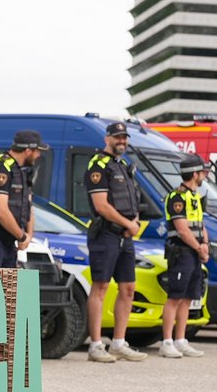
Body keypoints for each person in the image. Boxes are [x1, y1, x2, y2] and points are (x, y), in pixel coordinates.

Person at [84, 121, 146, 362]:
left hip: (125, 236)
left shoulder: (122, 165)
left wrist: (135, 222)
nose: (122, 141)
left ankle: (119, 343)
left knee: (128, 288)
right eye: (117, 137)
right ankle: (96, 345)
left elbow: (132, 200)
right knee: (100, 287)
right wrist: (129, 224)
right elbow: (101, 205)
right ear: (107, 139)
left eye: (124, 137)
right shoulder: (97, 165)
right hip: (106, 234)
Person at [0, 130, 47, 267]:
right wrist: (22, 236)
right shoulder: (0, 168)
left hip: (9, 241)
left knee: (7, 287)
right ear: (28, 151)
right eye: (37, 151)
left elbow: (28, 205)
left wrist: (29, 235)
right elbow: (0, 212)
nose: (39, 155)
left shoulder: (22, 171)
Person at [158, 154, 209, 359]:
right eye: (202, 172)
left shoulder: (196, 196)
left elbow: (201, 225)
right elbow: (182, 229)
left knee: (188, 298)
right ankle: (167, 341)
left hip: (195, 252)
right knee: (175, 297)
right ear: (194, 174)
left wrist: (205, 245)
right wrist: (199, 247)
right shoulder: (176, 197)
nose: (204, 175)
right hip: (182, 252)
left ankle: (181, 340)